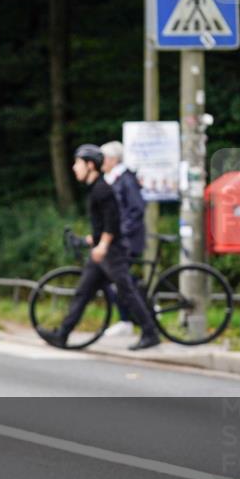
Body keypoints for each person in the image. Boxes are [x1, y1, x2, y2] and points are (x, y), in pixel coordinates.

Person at [38, 144, 160, 351]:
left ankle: (150, 332)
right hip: (103, 251)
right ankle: (63, 334)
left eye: (78, 163)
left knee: (127, 291)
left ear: (90, 165)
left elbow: (112, 221)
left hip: (112, 252)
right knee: (83, 292)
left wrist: (102, 244)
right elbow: (103, 223)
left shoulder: (102, 189)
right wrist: (92, 240)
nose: (74, 168)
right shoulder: (97, 189)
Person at [101, 140, 146, 337]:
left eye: (103, 158)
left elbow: (136, 210)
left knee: (119, 279)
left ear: (113, 159)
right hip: (123, 238)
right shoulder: (115, 178)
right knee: (121, 279)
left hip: (128, 240)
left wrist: (120, 232)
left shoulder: (125, 179)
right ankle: (137, 312)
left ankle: (128, 319)